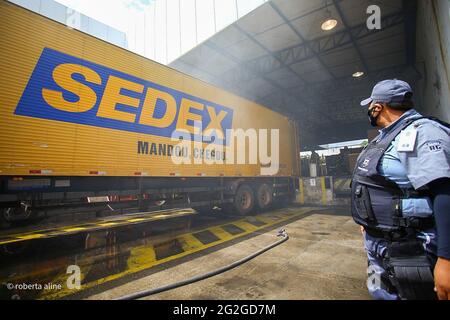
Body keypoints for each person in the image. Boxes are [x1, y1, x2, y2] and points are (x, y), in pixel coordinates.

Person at [351, 79, 450, 300]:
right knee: (378, 291)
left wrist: (446, 259)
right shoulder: (385, 137)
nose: (369, 110)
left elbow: (444, 193)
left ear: (378, 107)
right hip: (376, 244)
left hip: (408, 247)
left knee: (409, 295)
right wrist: (368, 220)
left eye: (370, 106)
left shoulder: (423, 133)